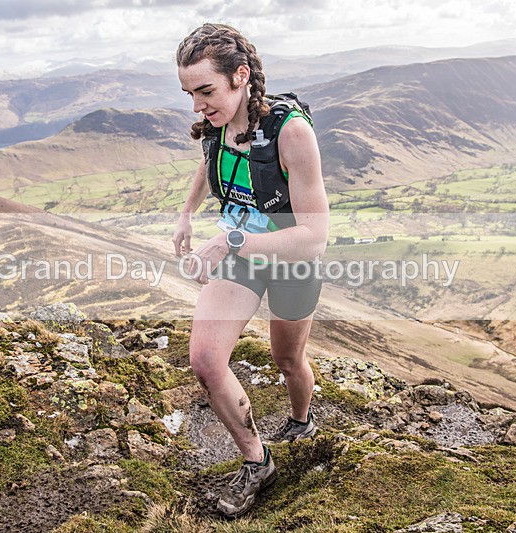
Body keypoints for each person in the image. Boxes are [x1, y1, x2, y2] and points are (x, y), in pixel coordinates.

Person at [173, 23, 330, 518]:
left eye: (205, 91)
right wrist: (186, 212)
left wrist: (231, 238)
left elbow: (313, 235)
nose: (197, 106)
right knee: (205, 360)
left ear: (241, 76)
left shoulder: (292, 132)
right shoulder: (217, 123)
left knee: (288, 361)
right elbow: (208, 161)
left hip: (290, 260)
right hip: (237, 257)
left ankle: (301, 421)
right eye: (189, 94)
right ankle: (256, 460)